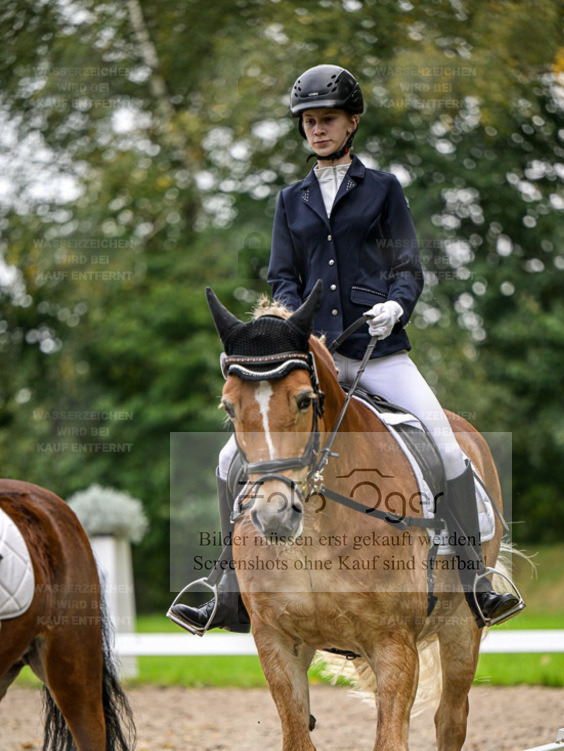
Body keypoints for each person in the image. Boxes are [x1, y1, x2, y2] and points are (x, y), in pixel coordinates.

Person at [169, 64, 523, 634]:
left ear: (351, 122)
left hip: (381, 353)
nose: (317, 129)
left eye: (327, 119)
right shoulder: (291, 199)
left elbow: (407, 266)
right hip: (312, 359)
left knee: (450, 450)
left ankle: (475, 580)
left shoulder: (382, 189)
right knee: (227, 458)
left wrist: (396, 306)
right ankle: (225, 583)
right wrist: (280, 324)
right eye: (309, 121)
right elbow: (284, 278)